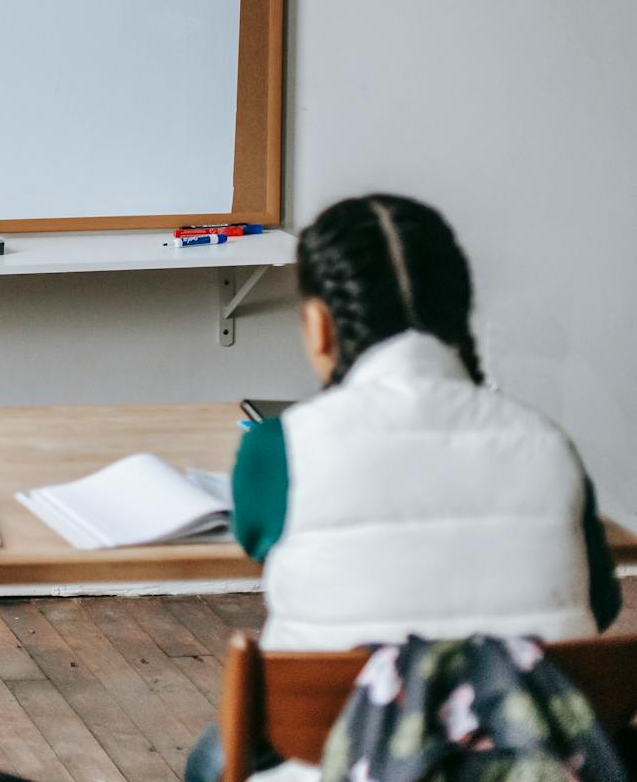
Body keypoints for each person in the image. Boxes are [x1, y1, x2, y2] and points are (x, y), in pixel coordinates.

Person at [187, 193, 622, 782]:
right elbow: (602, 605)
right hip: (533, 755)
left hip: (339, 755)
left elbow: (256, 538)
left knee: (212, 757)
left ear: (318, 327)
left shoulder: (278, 449)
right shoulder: (547, 444)